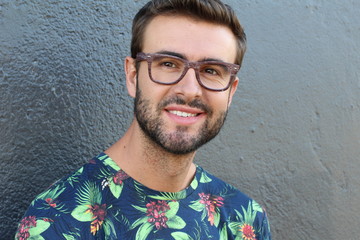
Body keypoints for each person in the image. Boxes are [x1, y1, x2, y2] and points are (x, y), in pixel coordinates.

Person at [15, 0, 271, 239]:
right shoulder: (57, 221)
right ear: (132, 76)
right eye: (168, 64)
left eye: (211, 70)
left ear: (231, 90)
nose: (190, 89)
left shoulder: (244, 220)